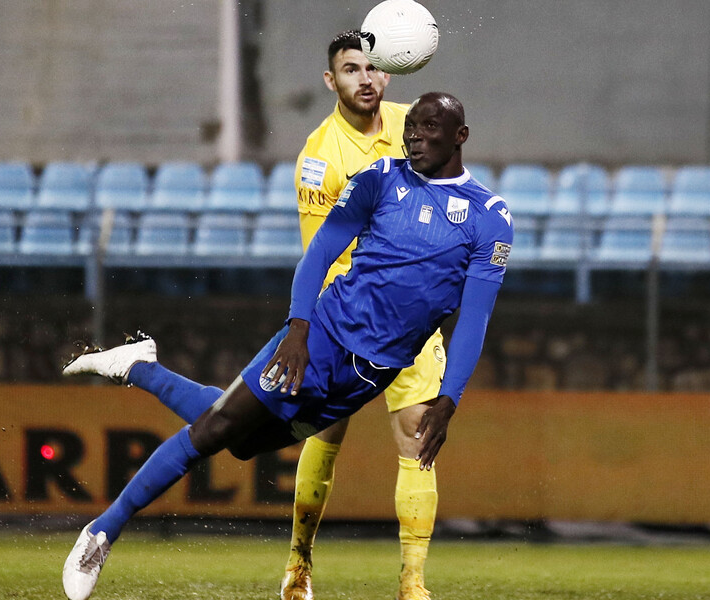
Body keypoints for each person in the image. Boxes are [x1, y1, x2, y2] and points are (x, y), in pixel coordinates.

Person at [59, 91, 513, 600]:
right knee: (213, 430)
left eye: (429, 127)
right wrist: (298, 330)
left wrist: (449, 399)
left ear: (460, 136)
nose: (415, 136)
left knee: (241, 440)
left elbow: (475, 317)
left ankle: (140, 366)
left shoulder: (490, 217)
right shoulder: (381, 178)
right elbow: (319, 255)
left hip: (369, 375)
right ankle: (103, 530)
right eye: (411, 127)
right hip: (322, 339)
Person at [284, 30, 449, 600]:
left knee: (417, 438)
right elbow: (319, 254)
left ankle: (413, 583)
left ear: (388, 72)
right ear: (331, 80)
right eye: (351, 69)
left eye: (372, 67)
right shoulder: (319, 157)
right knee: (323, 435)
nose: (365, 78)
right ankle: (299, 564)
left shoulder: (412, 127)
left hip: (412, 316)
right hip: (348, 317)